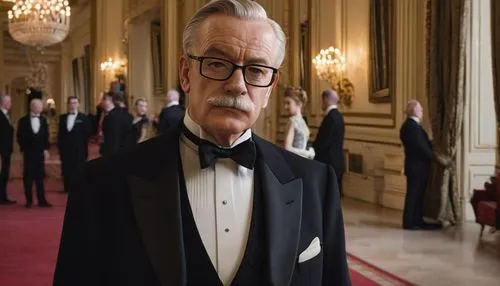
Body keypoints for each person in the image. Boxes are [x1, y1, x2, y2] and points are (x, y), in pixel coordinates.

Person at [54, 1, 350, 285]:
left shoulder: (315, 183)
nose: (237, 85)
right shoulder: (101, 184)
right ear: (186, 73)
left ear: (270, 87)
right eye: (218, 64)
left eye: (256, 70)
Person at [400, 100, 441, 230]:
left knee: (418, 195)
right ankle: (410, 222)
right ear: (415, 111)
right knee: (413, 195)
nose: (422, 112)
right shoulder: (411, 126)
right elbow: (420, 147)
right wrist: (435, 157)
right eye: (420, 109)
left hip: (417, 167)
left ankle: (416, 220)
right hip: (416, 167)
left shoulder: (411, 126)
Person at [17, 98, 52, 208]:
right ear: (32, 107)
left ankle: (42, 200)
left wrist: (46, 149)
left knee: (40, 177)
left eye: (41, 106)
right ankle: (29, 200)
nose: (41, 108)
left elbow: (46, 136)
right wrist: (24, 149)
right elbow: (19, 136)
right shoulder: (22, 121)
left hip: (40, 152)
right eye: (39, 106)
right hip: (28, 153)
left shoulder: (43, 120)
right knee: (28, 177)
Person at [313, 89, 345, 197]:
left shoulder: (331, 117)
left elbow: (324, 142)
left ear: (326, 99)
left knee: (328, 195)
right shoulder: (339, 116)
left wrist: (312, 151)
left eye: (322, 100)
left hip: (328, 161)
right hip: (337, 160)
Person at [57, 96, 91, 193]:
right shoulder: (62, 118)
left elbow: (87, 133)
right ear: (68, 104)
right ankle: (67, 187)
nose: (73, 105)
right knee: (66, 168)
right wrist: (60, 148)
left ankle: (79, 188)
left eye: (75, 103)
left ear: (78, 104)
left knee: (79, 169)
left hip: (79, 149)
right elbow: (60, 135)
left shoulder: (84, 118)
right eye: (71, 103)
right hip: (66, 149)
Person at [283, 87, 315, 159]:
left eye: (288, 103)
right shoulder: (292, 121)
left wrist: (309, 151)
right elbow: (287, 148)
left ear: (299, 103)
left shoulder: (302, 120)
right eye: (285, 103)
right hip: (293, 160)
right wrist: (306, 153)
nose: (285, 106)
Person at [0, 93, 16, 204]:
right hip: (1, 151)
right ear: (3, 102)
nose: (10, 104)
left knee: (4, 175)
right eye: (8, 101)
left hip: (6, 151)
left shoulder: (6, 115)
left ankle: (3, 196)